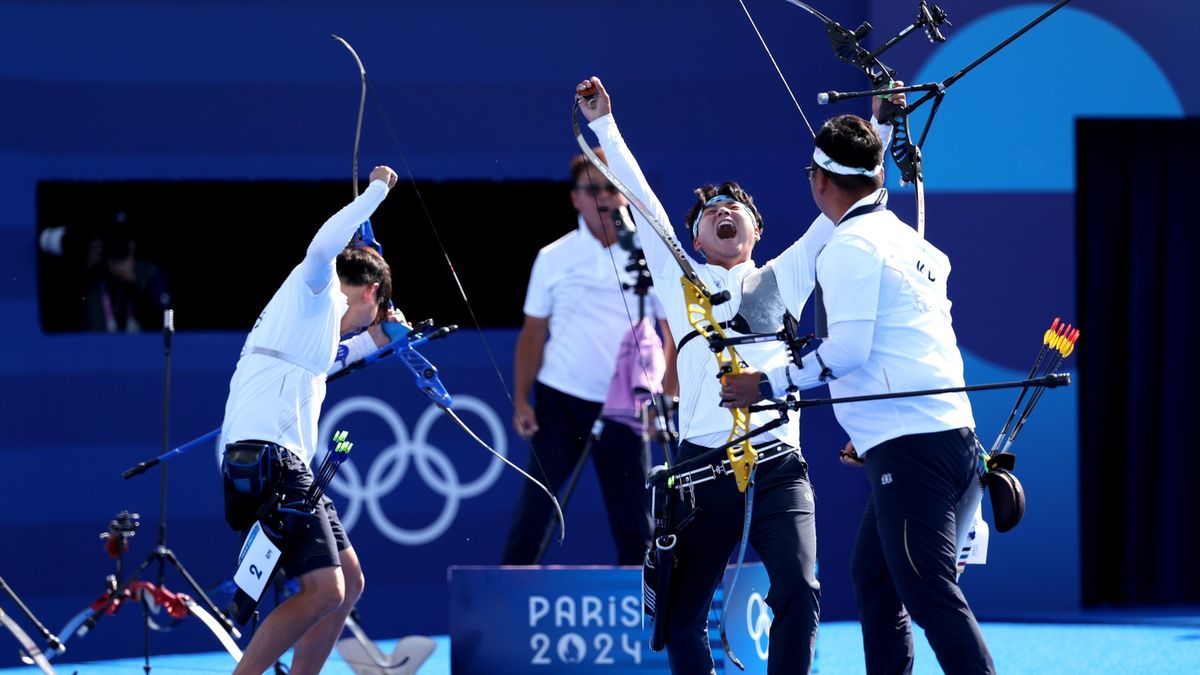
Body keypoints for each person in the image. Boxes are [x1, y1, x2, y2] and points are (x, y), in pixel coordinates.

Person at [577, 76, 896, 675]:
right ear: (693, 238)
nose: (725, 212)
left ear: (757, 232)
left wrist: (878, 130)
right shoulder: (680, 278)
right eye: (709, 212)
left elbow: (849, 209)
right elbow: (643, 204)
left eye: (738, 209)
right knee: (679, 621)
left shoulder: (786, 277)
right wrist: (604, 124)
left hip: (778, 468)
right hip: (700, 470)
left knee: (799, 593)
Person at [721, 113, 996, 674]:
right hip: (944, 439)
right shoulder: (909, 241)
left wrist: (766, 384)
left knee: (929, 591)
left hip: (914, 447)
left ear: (820, 181)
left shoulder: (849, 245)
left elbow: (848, 352)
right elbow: (906, 348)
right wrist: (868, 432)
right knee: (875, 579)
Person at [219, 165, 401, 675]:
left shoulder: (309, 328)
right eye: (378, 311)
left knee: (348, 583)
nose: (372, 320)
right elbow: (323, 247)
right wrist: (376, 194)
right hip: (273, 459)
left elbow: (331, 358)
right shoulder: (315, 286)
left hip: (280, 461)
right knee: (326, 589)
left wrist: (380, 341)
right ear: (371, 293)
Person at [501, 148, 675, 566]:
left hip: (625, 406)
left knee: (635, 520)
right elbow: (533, 334)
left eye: (611, 188)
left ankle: (649, 617)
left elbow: (672, 332)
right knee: (537, 506)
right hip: (561, 402)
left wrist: (666, 396)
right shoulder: (553, 257)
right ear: (575, 197)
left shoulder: (649, 253)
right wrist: (522, 400)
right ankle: (504, 605)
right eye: (591, 189)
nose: (603, 198)